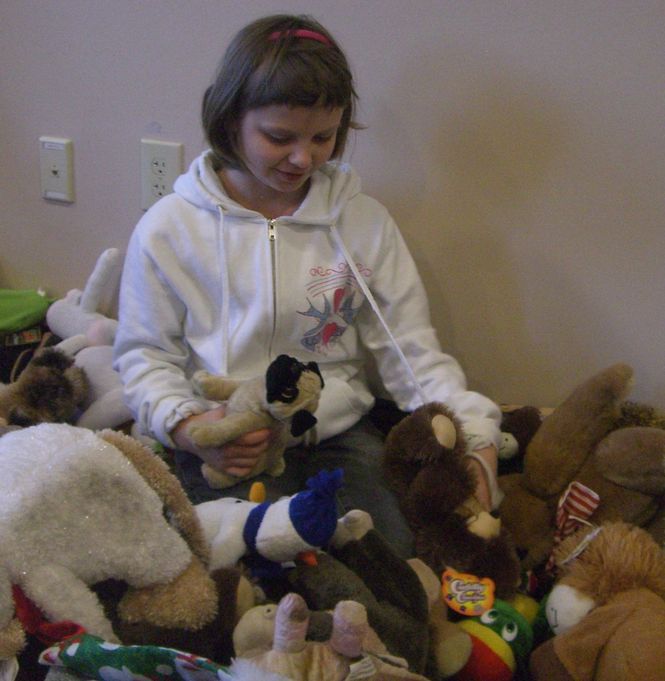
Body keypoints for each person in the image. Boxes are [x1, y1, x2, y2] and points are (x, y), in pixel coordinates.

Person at [113, 13, 503, 558]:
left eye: (324, 137)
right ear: (230, 123)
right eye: (280, 137)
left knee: (393, 556)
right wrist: (186, 425)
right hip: (225, 441)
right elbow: (143, 355)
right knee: (247, 567)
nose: (305, 158)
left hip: (336, 436)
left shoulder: (362, 222)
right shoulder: (170, 228)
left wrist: (473, 438)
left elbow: (410, 352)